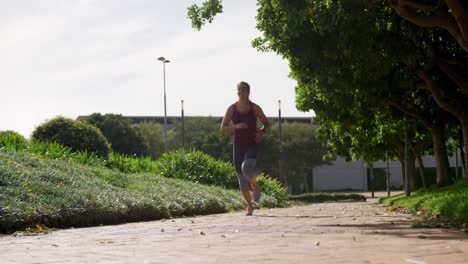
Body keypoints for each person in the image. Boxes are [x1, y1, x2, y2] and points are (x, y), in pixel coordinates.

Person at [220, 81, 270, 216]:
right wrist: (235, 127)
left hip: (252, 143)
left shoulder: (254, 108)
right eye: (238, 90)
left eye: (243, 90)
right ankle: (249, 206)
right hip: (238, 145)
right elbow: (223, 128)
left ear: (248, 92)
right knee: (241, 178)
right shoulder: (232, 109)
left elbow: (266, 124)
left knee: (246, 168)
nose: (240, 92)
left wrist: (261, 132)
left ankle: (254, 184)